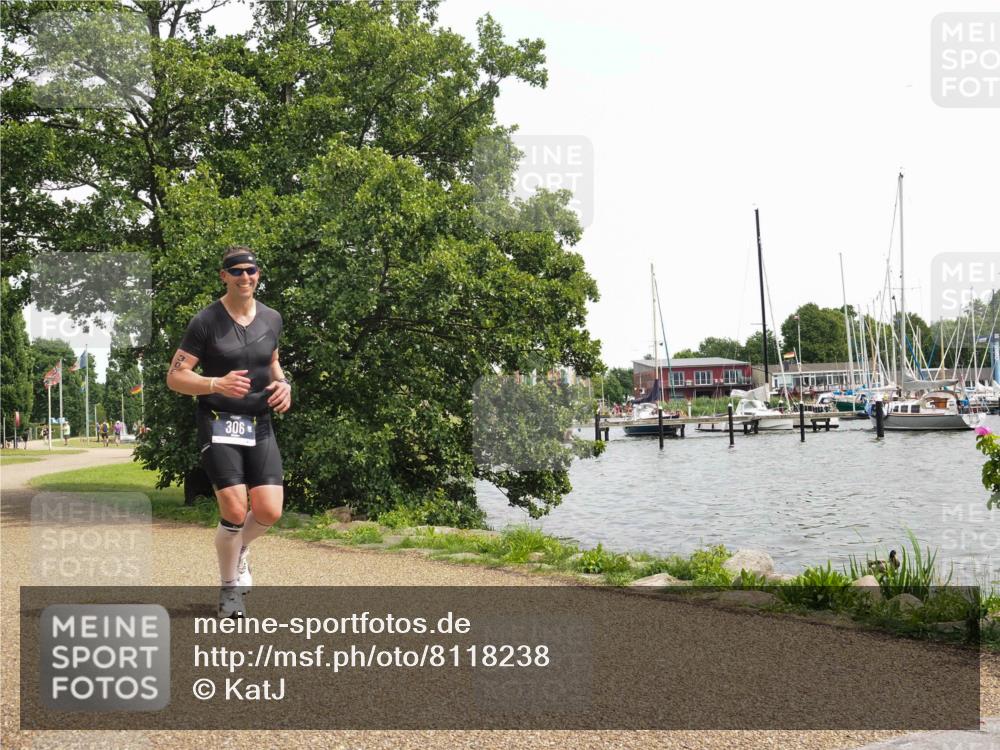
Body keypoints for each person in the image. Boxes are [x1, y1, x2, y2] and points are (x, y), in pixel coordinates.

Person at [166, 245, 291, 619]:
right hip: (219, 420)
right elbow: (175, 377)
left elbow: (271, 361)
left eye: (250, 271)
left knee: (269, 510)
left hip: (259, 422)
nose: (244, 277)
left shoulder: (272, 318)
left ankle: (239, 550)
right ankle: (229, 589)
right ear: (223, 276)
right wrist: (215, 384)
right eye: (236, 271)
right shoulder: (205, 321)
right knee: (236, 508)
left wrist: (284, 385)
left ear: (258, 274)